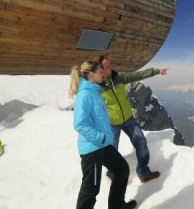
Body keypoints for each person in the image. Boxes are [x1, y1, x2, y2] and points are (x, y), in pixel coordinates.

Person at [68, 61, 137, 209]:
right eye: (100, 72)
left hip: (103, 144)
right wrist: (100, 137)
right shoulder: (84, 95)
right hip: (92, 148)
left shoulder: (94, 91)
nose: (104, 74)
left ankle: (117, 206)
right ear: (91, 74)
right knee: (90, 189)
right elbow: (79, 124)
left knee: (122, 169)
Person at [95, 56, 167, 183]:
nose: (110, 68)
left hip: (128, 119)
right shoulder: (96, 86)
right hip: (112, 124)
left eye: (110, 65)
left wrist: (155, 71)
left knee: (141, 143)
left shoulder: (118, 77)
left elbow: (137, 75)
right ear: (100, 69)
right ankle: (113, 174)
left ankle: (143, 172)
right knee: (112, 151)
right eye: (107, 67)